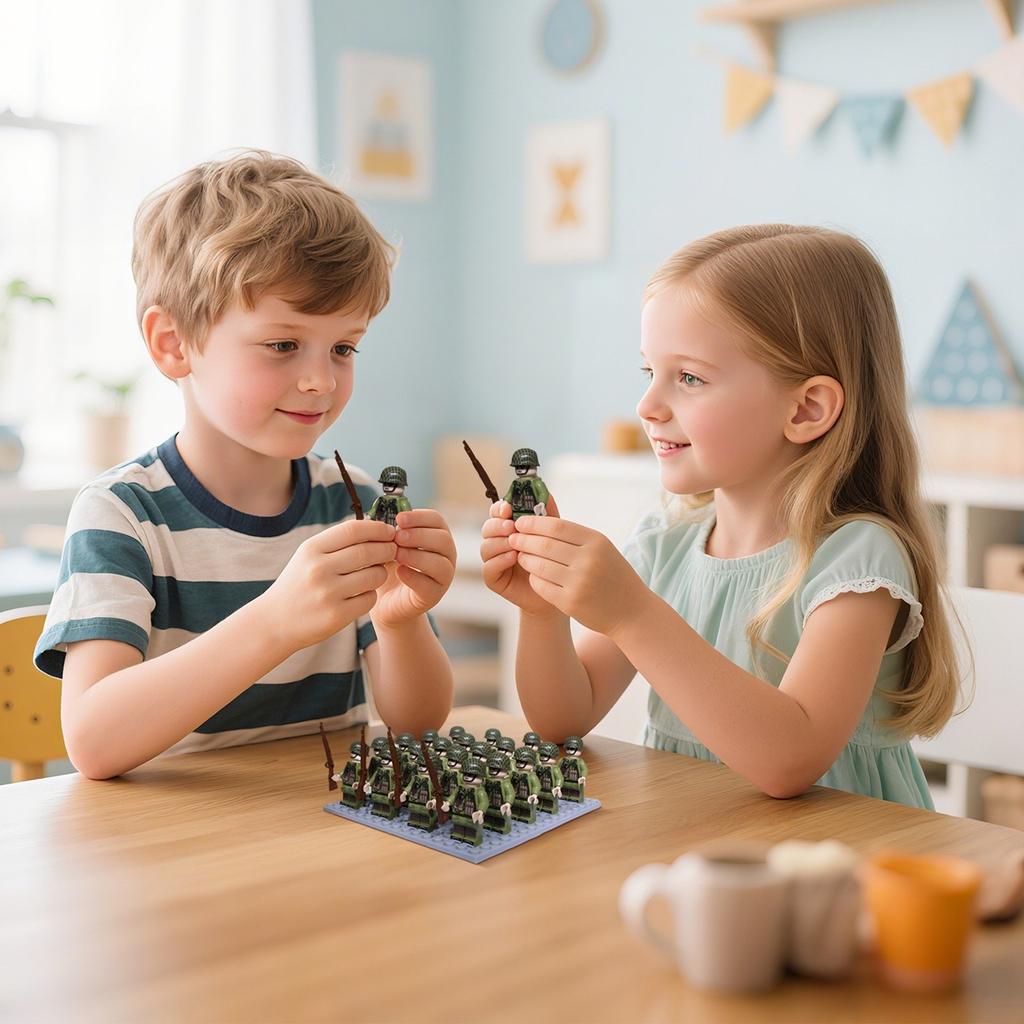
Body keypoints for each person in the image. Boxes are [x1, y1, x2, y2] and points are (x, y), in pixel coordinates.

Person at [481, 225, 963, 809]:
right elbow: (565, 717)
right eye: (648, 373)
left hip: (838, 868)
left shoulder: (858, 559)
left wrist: (633, 613)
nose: (647, 406)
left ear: (807, 408)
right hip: (698, 849)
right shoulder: (667, 542)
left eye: (688, 377)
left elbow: (789, 761)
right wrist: (542, 612)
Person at [34, 151, 455, 779]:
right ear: (173, 345)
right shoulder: (123, 516)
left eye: (344, 347)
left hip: (326, 839)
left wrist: (399, 622)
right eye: (283, 345)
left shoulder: (353, 501)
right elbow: (93, 742)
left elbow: (417, 724)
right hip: (172, 851)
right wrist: (276, 621)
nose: (319, 380)